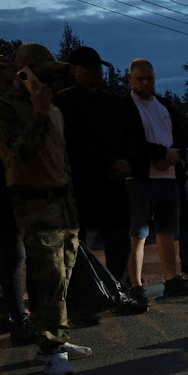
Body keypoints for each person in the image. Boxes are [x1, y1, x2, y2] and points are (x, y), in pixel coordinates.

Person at [0, 43, 92, 375]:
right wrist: (38, 111)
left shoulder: (55, 109)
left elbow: (60, 158)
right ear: (25, 72)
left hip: (63, 201)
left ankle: (54, 341)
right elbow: (20, 155)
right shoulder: (3, 107)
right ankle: (52, 350)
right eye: (44, 70)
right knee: (48, 276)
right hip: (33, 201)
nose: (52, 76)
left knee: (64, 275)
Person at [122, 58, 188, 304]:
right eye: (140, 79)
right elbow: (128, 141)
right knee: (138, 234)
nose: (146, 83)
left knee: (167, 231)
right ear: (130, 80)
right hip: (141, 180)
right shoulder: (125, 106)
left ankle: (171, 279)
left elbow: (182, 134)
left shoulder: (164, 105)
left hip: (168, 178)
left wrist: (172, 155)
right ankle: (135, 285)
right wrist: (160, 154)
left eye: (150, 78)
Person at [54, 47, 134, 285]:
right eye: (92, 68)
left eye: (99, 67)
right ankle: (87, 294)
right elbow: (72, 142)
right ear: (76, 71)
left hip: (114, 183)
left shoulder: (113, 101)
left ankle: (118, 287)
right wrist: (108, 163)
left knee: (119, 238)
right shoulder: (64, 101)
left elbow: (127, 135)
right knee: (81, 242)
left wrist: (126, 162)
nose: (98, 72)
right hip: (84, 182)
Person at [0, 54, 33, 343]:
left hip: (9, 185)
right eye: (6, 79)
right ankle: (18, 318)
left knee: (11, 249)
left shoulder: (9, 105)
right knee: (14, 251)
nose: (12, 83)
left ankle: (4, 298)